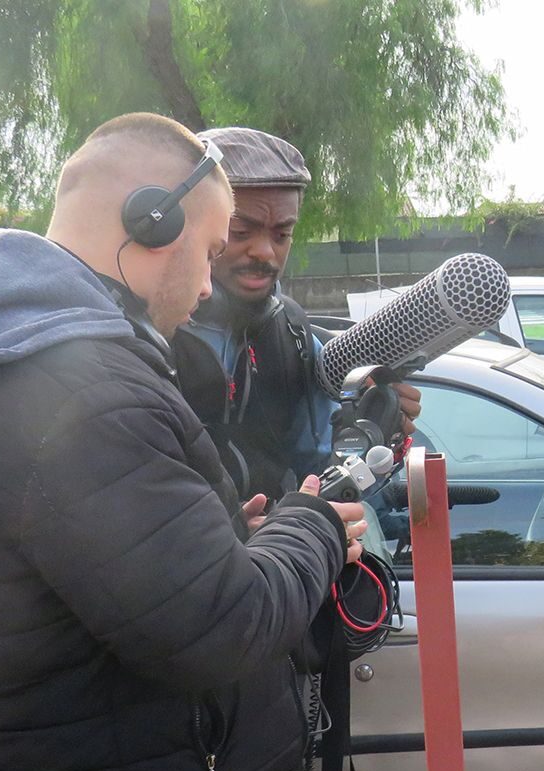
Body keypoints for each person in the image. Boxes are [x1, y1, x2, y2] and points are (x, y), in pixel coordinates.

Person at [0, 113, 366, 771]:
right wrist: (314, 525)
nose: (207, 287)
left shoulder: (17, 355)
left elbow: (100, 570)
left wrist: (220, 541)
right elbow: (222, 626)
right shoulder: (82, 393)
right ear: (151, 223)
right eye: (208, 251)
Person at [173, 126, 420, 501]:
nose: (266, 253)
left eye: (282, 234)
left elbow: (321, 477)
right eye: (241, 232)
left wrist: (375, 443)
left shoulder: (294, 334)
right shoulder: (137, 337)